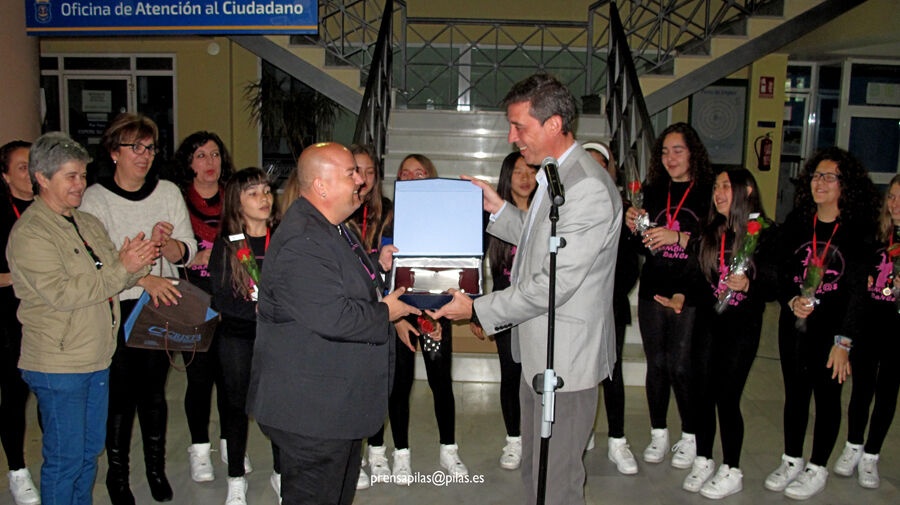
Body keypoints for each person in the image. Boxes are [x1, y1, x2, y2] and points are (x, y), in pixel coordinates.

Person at [430, 73, 622, 505]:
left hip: (565, 361)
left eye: (519, 126)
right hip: (538, 351)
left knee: (556, 482)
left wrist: (477, 309)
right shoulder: (556, 171)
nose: (511, 137)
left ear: (553, 124)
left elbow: (554, 284)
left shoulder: (586, 187)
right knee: (536, 471)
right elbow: (543, 243)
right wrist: (499, 209)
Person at [246, 142, 419, 504]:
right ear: (321, 186)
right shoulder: (303, 240)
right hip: (311, 413)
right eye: (350, 173)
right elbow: (333, 315)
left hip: (334, 406)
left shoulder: (333, 226)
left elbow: (343, 285)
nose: (361, 181)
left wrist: (379, 269)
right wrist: (386, 312)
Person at [7, 132, 155, 505]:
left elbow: (114, 275)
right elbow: (65, 294)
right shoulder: (31, 233)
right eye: (71, 176)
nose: (80, 184)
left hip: (96, 357)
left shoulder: (86, 222)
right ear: (42, 178)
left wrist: (137, 260)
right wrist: (123, 268)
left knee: (89, 453)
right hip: (59, 364)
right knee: (65, 460)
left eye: (83, 175)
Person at [79, 113, 197, 505]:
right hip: (116, 309)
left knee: (154, 394)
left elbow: (187, 251)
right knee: (120, 397)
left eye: (150, 148)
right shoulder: (94, 199)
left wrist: (168, 246)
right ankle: (117, 476)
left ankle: (155, 470)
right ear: (114, 152)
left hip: (159, 306)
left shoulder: (168, 192)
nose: (144, 155)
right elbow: (95, 260)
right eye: (135, 147)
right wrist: (144, 279)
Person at [766, 147, 878, 500]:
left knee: (827, 398)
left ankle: (817, 466)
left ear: (845, 185)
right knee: (795, 395)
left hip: (833, 331)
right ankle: (791, 459)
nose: (820, 183)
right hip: (795, 325)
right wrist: (790, 299)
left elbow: (859, 294)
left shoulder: (857, 232)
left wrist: (844, 342)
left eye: (830, 177)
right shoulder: (799, 222)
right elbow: (780, 270)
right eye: (816, 175)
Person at [364, 153, 470, 486]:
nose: (411, 178)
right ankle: (401, 454)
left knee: (441, 383)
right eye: (405, 173)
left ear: (431, 178)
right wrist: (396, 319)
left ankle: (449, 450)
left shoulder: (444, 217)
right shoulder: (386, 218)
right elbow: (379, 274)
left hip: (435, 313)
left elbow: (453, 269)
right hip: (397, 315)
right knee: (399, 385)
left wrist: (437, 314)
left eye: (419, 173)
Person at [624, 122, 712, 469]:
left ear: (693, 153)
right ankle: (658, 432)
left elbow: (715, 246)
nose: (670, 158)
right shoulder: (653, 190)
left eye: (678, 151)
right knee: (657, 364)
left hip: (691, 288)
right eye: (664, 152)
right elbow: (641, 246)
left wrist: (679, 238)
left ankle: (689, 436)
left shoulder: (708, 192)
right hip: (654, 285)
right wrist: (634, 226)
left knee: (681, 366)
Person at [685, 169, 776, 498]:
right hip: (708, 324)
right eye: (716, 187)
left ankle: (732, 468)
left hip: (741, 327)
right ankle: (703, 458)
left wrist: (750, 284)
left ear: (747, 190)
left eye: (726, 186)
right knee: (701, 394)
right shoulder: (709, 230)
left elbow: (775, 284)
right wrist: (683, 294)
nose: (718, 193)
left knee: (727, 396)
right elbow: (695, 277)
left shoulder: (764, 233)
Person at [208, 167, 280, 505]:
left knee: (278, 408)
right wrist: (257, 310)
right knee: (235, 407)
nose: (264, 198)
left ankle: (281, 473)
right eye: (253, 193)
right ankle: (236, 477)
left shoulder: (283, 238)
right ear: (237, 203)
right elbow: (221, 299)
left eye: (266, 191)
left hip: (278, 337)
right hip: (238, 336)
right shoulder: (228, 244)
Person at [174, 131, 237, 484]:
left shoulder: (234, 198)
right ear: (189, 163)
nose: (210, 162)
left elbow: (247, 244)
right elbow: (174, 252)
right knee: (199, 378)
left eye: (215, 154)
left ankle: (231, 443)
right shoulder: (177, 201)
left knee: (231, 377)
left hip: (231, 297)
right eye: (200, 155)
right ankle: (199, 449)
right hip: (192, 299)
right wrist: (193, 255)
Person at [831, 173, 900, 489]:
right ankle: (854, 444)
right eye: (892, 197)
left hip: (896, 329)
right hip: (869, 323)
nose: (895, 204)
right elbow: (856, 275)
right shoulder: (875, 235)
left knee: (887, 392)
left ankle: (871, 454)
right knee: (861, 389)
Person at [583, 140, 640, 475]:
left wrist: (605, 293)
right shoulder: (566, 203)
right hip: (575, 307)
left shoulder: (625, 208)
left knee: (611, 372)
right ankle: (583, 431)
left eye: (600, 164)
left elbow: (632, 266)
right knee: (579, 372)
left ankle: (617, 439)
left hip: (609, 304)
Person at [480, 151, 536, 470]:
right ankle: (514, 439)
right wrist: (479, 309)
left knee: (537, 374)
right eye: (518, 172)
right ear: (507, 177)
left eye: (531, 171)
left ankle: (538, 436)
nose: (526, 178)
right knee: (511, 373)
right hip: (505, 306)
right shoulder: (494, 217)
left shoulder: (548, 213)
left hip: (539, 306)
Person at [0, 140, 41, 505]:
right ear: (5, 176)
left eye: (34, 164)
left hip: (50, 316)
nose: (31, 173)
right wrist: (23, 277)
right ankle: (17, 469)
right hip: (9, 318)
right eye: (22, 167)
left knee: (51, 394)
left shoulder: (52, 207)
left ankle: (56, 463)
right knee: (14, 394)